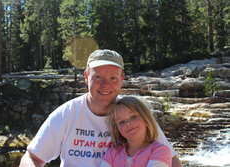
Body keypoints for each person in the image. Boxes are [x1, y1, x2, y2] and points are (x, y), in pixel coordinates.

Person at [19, 49, 182, 167]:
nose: (105, 85)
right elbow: (33, 157)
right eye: (98, 77)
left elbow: (172, 160)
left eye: (113, 78)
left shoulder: (134, 114)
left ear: (122, 78)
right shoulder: (66, 114)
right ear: (86, 77)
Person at [100, 96, 172, 167]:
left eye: (133, 117)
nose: (128, 123)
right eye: (122, 122)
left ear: (146, 118)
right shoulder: (112, 153)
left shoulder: (160, 151)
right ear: (117, 129)